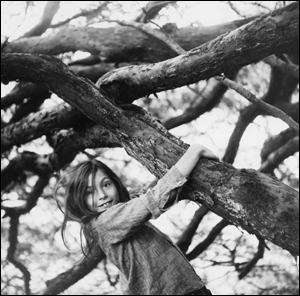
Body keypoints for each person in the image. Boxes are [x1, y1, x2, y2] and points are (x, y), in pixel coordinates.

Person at [56, 144, 216, 295]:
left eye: (106, 185)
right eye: (89, 192)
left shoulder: (122, 212)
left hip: (189, 288)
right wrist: (194, 151)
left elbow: (150, 193)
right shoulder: (105, 221)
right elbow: (154, 199)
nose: (102, 195)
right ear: (79, 199)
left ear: (115, 183)